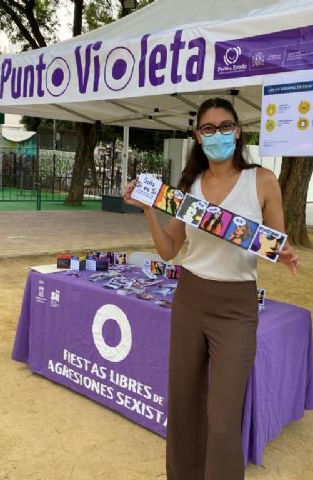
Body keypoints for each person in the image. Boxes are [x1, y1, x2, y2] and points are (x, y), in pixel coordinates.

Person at [123, 97, 298, 480]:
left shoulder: (262, 180)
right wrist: (148, 210)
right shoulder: (189, 187)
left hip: (236, 308)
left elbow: (275, 241)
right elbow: (169, 251)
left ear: (238, 131)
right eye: (208, 128)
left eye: (225, 127)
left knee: (222, 418)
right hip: (190, 300)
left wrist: (283, 251)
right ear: (198, 136)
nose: (217, 134)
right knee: (184, 404)